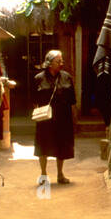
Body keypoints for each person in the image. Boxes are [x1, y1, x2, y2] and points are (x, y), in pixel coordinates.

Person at [33, 49, 76, 185]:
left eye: (62, 61)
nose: (61, 63)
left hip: (63, 117)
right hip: (45, 119)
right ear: (50, 63)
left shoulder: (66, 77)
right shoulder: (39, 78)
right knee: (43, 146)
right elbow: (34, 100)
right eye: (58, 61)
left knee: (61, 147)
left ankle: (60, 174)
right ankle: (44, 174)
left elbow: (72, 99)